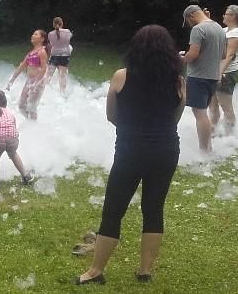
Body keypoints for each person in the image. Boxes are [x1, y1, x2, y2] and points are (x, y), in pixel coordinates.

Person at [76, 25, 186, 285]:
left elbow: (112, 116)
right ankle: (145, 271)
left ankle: (95, 271)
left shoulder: (121, 76)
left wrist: (133, 127)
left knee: (113, 210)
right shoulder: (179, 81)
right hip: (166, 149)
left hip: (130, 149)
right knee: (153, 209)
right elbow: (175, 118)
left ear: (135, 49)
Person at [181, 4, 226, 153]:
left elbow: (193, 55)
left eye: (188, 21)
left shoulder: (198, 29)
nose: (189, 24)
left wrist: (181, 58)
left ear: (191, 15)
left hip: (198, 76)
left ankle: (205, 150)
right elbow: (224, 55)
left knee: (199, 113)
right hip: (212, 76)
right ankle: (208, 147)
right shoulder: (219, 28)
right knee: (202, 111)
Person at [0, 90, 32, 190]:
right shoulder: (9, 113)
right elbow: (13, 126)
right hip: (12, 138)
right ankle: (25, 175)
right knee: (13, 154)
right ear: (5, 101)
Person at [209, 5, 238, 134]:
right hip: (215, 72)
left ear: (233, 17)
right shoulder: (225, 30)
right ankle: (212, 133)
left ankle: (231, 137)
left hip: (226, 73)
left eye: (226, 14)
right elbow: (212, 32)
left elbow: (229, 56)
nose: (223, 16)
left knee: (226, 107)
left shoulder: (235, 34)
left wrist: (219, 73)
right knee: (212, 106)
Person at [7, 30, 49, 120]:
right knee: (21, 106)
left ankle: (33, 127)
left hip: (38, 81)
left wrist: (36, 83)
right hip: (29, 81)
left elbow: (44, 69)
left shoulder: (42, 52)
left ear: (42, 39)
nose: (33, 35)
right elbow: (21, 67)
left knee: (32, 107)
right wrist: (12, 80)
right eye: (33, 34)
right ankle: (30, 123)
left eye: (36, 34)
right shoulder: (30, 53)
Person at [45, 17, 73, 95]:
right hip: (64, 56)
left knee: (48, 76)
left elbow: (51, 44)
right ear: (62, 23)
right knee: (62, 77)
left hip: (54, 56)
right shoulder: (67, 32)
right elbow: (68, 39)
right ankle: (62, 94)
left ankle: (44, 93)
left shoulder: (50, 34)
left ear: (53, 24)